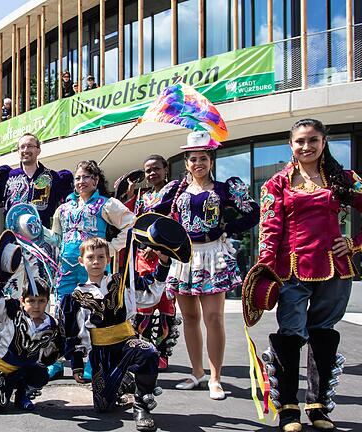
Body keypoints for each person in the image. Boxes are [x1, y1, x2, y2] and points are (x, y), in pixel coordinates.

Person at [256, 119, 360, 432]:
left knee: (323, 334)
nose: (306, 147)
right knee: (291, 335)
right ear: (291, 145)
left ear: (324, 141)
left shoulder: (344, 178)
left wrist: (354, 244)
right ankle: (288, 409)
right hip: (292, 272)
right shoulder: (276, 184)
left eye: (313, 140)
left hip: (335, 269)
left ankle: (318, 407)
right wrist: (264, 268)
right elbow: (270, 229)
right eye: (300, 141)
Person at [148, 131, 258, 399]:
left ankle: (216, 378)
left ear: (211, 161)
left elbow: (253, 211)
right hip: (184, 257)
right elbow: (151, 214)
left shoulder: (224, 188)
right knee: (190, 318)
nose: (198, 163)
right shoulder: (176, 190)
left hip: (213, 255)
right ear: (186, 162)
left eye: (203, 158)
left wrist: (228, 227)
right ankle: (197, 373)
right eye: (193, 159)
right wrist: (162, 242)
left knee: (214, 318)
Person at [0, 132, 73, 363]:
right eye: (22, 147)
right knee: (9, 296)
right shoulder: (8, 176)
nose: (26, 150)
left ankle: (40, 347)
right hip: (12, 247)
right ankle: (2, 347)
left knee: (39, 296)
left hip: (41, 247)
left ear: (39, 149)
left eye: (30, 146)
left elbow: (69, 203)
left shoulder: (53, 178)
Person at [62, 237, 168, 432]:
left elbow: (151, 292)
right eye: (90, 257)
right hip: (100, 353)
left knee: (149, 352)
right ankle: (125, 381)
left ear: (108, 260)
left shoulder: (122, 282)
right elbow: (74, 333)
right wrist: (77, 364)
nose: (96, 261)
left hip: (127, 343)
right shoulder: (76, 296)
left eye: (101, 257)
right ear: (81, 261)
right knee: (104, 407)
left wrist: (164, 264)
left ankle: (141, 405)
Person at [45, 160, 135, 379]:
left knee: (93, 314)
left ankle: (92, 360)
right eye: (77, 178)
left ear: (96, 180)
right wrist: (37, 231)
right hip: (65, 268)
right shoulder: (64, 208)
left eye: (86, 177)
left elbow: (131, 223)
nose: (81, 181)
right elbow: (57, 238)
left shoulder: (106, 204)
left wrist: (110, 250)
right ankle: (57, 360)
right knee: (61, 312)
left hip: (92, 269)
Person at [0, 267, 63, 412]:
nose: (36, 306)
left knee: (41, 374)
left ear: (48, 301)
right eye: (31, 301)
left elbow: (52, 353)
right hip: (3, 370)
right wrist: (0, 281)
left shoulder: (51, 323)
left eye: (41, 301)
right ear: (22, 301)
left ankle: (23, 394)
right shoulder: (11, 313)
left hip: (27, 370)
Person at [122, 155, 181, 371]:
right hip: (143, 258)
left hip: (166, 255)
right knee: (144, 306)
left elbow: (172, 222)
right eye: (148, 170)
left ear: (166, 169)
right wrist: (129, 192)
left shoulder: (175, 191)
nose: (152, 173)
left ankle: (162, 353)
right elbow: (134, 224)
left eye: (156, 168)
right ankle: (145, 351)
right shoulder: (142, 196)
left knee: (166, 306)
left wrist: (156, 247)